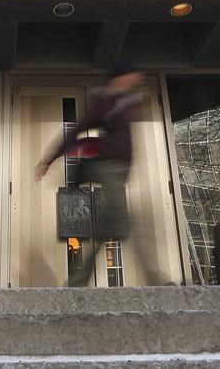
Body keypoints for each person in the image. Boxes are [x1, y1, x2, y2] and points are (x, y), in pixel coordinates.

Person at [36, 63, 170, 287]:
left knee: (109, 228)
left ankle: (78, 281)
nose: (135, 79)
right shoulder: (106, 102)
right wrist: (48, 160)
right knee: (130, 224)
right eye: (131, 75)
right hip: (108, 169)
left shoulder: (126, 101)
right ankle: (155, 278)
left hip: (118, 171)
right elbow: (77, 129)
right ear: (119, 78)